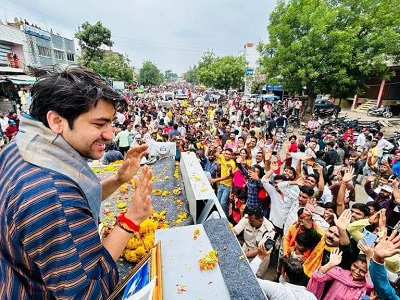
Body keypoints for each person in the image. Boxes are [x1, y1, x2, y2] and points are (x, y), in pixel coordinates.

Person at [0, 67, 153, 299]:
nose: (110, 134)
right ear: (57, 121)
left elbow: (74, 199)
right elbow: (90, 291)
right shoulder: (52, 194)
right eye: (99, 124)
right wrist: (131, 220)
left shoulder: (19, 148)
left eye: (110, 123)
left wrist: (119, 179)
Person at [307, 250, 373, 299]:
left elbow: (371, 284)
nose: (357, 271)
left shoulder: (365, 286)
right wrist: (330, 264)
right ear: (351, 263)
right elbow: (317, 276)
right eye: (355, 266)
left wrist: (369, 259)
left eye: (362, 271)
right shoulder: (340, 273)